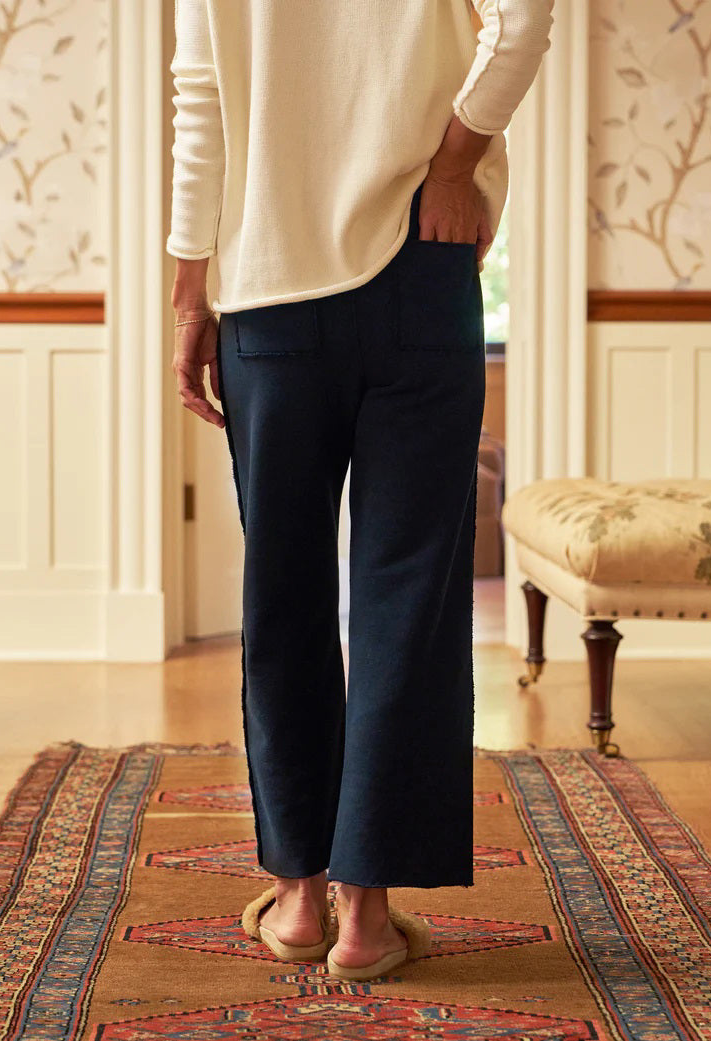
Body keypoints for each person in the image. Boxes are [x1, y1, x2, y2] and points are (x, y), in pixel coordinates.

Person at [167, 0, 554, 981]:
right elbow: (521, 22)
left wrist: (187, 294)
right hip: (418, 261)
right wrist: (455, 164)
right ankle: (364, 923)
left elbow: (199, 98)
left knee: (282, 599)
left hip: (265, 288)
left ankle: (298, 901)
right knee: (405, 595)